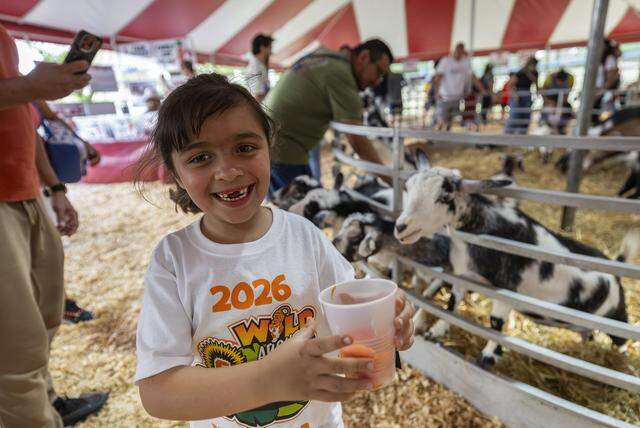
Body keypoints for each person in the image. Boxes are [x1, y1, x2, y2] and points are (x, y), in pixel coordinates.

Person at [134, 73, 415, 427]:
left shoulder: (303, 236)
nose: (227, 170)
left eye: (245, 148)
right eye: (200, 157)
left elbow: (347, 308)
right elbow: (158, 392)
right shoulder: (174, 261)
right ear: (175, 174)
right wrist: (269, 379)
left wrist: (389, 322)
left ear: (269, 147)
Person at [0, 24, 108, 427]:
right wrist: (28, 87)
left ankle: (45, 404)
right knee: (13, 342)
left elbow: (22, 122)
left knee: (44, 317)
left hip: (24, 192)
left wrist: (55, 187)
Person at [265, 39, 393, 194]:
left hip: (270, 142)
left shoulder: (326, 56)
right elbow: (359, 143)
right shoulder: (342, 75)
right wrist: (395, 181)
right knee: (297, 213)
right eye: (378, 72)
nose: (377, 82)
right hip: (284, 151)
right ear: (364, 57)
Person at [32, 100, 101, 323]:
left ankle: (60, 304)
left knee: (47, 249)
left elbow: (35, 135)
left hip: (33, 186)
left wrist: (56, 188)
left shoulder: (27, 88)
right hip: (22, 190)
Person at [432, 43, 485, 130]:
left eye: (461, 50)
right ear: (454, 50)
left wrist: (483, 90)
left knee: (453, 121)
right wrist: (436, 93)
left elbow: (473, 77)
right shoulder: (446, 61)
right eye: (458, 50)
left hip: (458, 98)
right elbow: (438, 78)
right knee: (440, 120)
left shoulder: (465, 62)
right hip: (444, 97)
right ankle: (437, 137)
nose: (459, 52)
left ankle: (448, 136)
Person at [504, 57, 538, 135]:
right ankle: (508, 135)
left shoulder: (534, 73)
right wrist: (515, 94)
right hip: (518, 96)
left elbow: (536, 82)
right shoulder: (520, 72)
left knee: (525, 117)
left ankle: (522, 136)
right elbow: (510, 85)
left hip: (527, 96)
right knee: (514, 116)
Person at [592, 39, 621, 124]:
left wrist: (601, 91)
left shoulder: (609, 59)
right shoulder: (602, 59)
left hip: (604, 92)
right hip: (599, 91)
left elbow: (611, 78)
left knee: (603, 114)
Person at [541, 67, 574, 134]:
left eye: (562, 82)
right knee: (547, 112)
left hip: (562, 99)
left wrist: (562, 102)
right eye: (559, 81)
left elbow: (568, 92)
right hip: (550, 98)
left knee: (566, 110)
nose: (560, 83)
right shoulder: (550, 77)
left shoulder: (570, 78)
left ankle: (562, 129)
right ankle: (549, 128)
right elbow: (543, 90)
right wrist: (547, 101)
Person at [245, 34, 273, 102]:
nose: (271, 51)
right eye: (270, 47)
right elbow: (257, 96)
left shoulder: (260, 65)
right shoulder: (255, 66)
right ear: (262, 48)